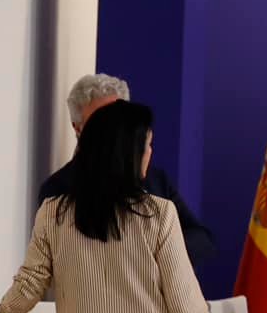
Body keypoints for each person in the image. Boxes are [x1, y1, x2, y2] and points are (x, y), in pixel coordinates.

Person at [0, 100, 234, 313]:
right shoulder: (158, 214)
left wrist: (1, 312)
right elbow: (185, 302)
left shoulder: (53, 213)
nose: (149, 154)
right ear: (128, 153)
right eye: (147, 145)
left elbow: (30, 283)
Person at [39, 74, 215, 270]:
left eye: (120, 120)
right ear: (78, 128)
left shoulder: (156, 180)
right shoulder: (58, 191)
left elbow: (200, 239)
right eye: (101, 122)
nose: (114, 130)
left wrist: (161, 252)